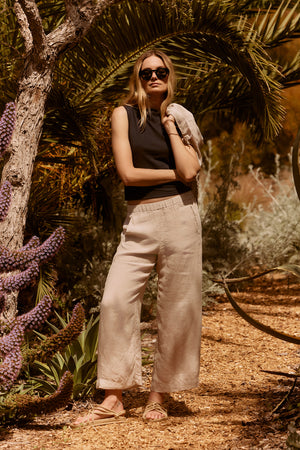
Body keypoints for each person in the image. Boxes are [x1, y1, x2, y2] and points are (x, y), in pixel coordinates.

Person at [73, 49, 202, 426]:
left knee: (178, 307)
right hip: (140, 218)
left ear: (170, 76)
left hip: (181, 216)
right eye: (147, 73)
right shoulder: (123, 115)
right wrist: (173, 175)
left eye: (161, 71)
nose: (154, 77)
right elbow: (127, 174)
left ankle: (158, 395)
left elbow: (191, 170)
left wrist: (171, 126)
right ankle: (114, 395)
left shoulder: (180, 116)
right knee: (115, 300)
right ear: (138, 78)